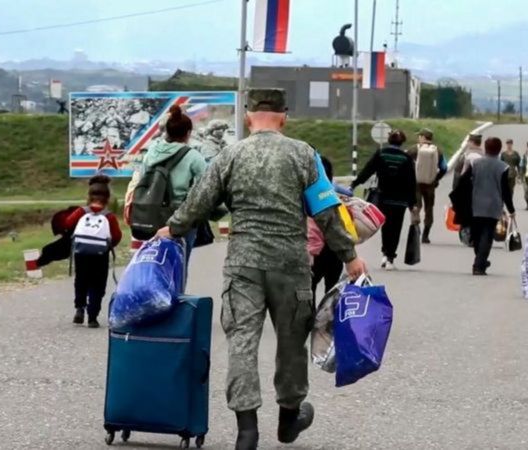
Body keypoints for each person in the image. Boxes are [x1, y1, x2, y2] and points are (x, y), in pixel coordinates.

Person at [156, 88, 365, 450]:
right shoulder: (305, 155)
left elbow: (199, 202)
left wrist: (172, 228)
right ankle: (288, 420)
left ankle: (246, 431)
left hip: (243, 265)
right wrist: (350, 256)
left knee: (242, 343)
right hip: (292, 265)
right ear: (284, 117)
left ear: (248, 117)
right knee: (292, 345)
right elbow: (327, 212)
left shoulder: (230, 155)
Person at [137, 105, 207, 266]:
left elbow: (142, 179)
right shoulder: (194, 157)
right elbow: (204, 189)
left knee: (154, 262)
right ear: (188, 133)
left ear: (167, 131)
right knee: (178, 266)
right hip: (181, 218)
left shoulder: (152, 152)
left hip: (152, 215)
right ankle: (174, 291)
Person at [351, 129, 417, 270]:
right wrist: (413, 204)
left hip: (383, 198)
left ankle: (384, 253)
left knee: (385, 227)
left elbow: (367, 170)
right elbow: (411, 182)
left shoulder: (381, 154)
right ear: (402, 142)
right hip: (400, 201)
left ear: (389, 140)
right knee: (396, 227)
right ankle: (390, 258)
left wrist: (354, 184)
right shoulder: (406, 158)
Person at [64, 175, 123, 328]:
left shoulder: (81, 212)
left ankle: (79, 308)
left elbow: (67, 223)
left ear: (89, 195)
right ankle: (92, 317)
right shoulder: (109, 216)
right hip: (100, 255)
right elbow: (116, 237)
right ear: (108, 197)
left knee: (81, 281)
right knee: (97, 284)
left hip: (81, 253)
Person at [458, 138, 515, 275]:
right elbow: (505, 191)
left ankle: (480, 261)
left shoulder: (476, 163)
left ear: (486, 147)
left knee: (477, 235)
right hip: (493, 206)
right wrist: (511, 210)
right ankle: (479, 264)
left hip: (475, 204)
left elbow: (463, 180)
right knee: (487, 235)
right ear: (499, 149)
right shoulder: (503, 167)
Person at [308, 155, 344, 297]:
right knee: (332, 292)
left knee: (309, 290)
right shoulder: (334, 195)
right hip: (334, 250)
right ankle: (328, 318)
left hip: (312, 252)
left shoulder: (304, 196)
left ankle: (311, 318)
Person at [409, 128, 446, 244]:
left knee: (416, 207)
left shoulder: (414, 149)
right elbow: (444, 167)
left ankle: (416, 227)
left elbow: (405, 163)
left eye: (419, 136)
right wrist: (436, 178)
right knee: (429, 209)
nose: (418, 138)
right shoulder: (437, 151)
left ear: (423, 137)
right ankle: (425, 236)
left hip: (416, 184)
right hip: (430, 185)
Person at [500, 139, 521, 203]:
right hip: (505, 173)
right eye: (508, 144)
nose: (509, 145)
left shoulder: (516, 153)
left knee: (511, 189)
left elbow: (518, 164)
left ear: (512, 144)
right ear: (506, 144)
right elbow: (500, 164)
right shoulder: (503, 154)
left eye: (510, 144)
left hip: (512, 174)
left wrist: (519, 174)